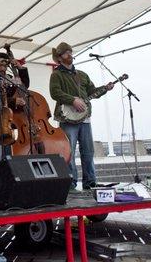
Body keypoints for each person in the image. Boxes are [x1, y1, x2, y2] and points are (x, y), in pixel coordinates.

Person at [49, 42, 113, 193]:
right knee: (68, 152)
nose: (70, 55)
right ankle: (70, 184)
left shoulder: (82, 75)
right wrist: (73, 100)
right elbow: (55, 93)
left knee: (88, 152)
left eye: (70, 52)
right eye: (66, 53)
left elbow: (92, 91)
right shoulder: (56, 75)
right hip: (67, 119)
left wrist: (105, 89)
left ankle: (90, 183)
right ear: (59, 57)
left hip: (85, 119)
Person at [0, 52, 29, 176]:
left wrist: (20, 68)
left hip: (9, 123)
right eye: (1, 61)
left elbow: (24, 87)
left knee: (7, 155)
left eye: (6, 62)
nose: (4, 64)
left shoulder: (9, 78)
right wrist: (14, 101)